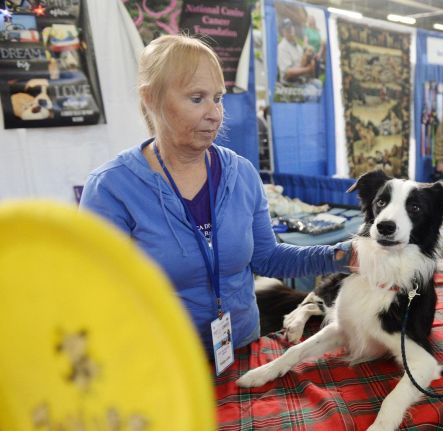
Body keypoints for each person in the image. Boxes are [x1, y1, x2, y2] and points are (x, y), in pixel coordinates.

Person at [80, 35, 354, 365]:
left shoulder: (241, 174)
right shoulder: (112, 189)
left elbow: (268, 257)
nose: (215, 113)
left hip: (241, 347)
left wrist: (340, 255)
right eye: (197, 99)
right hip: (164, 364)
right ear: (150, 98)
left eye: (218, 98)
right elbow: (100, 299)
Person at [277, 18, 320, 88]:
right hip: (290, 84)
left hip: (302, 78)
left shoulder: (298, 46)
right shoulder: (281, 47)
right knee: (312, 89)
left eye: (291, 27)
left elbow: (302, 63)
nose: (290, 29)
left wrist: (311, 59)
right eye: (287, 28)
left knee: (318, 84)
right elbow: (288, 72)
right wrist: (308, 69)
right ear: (283, 32)